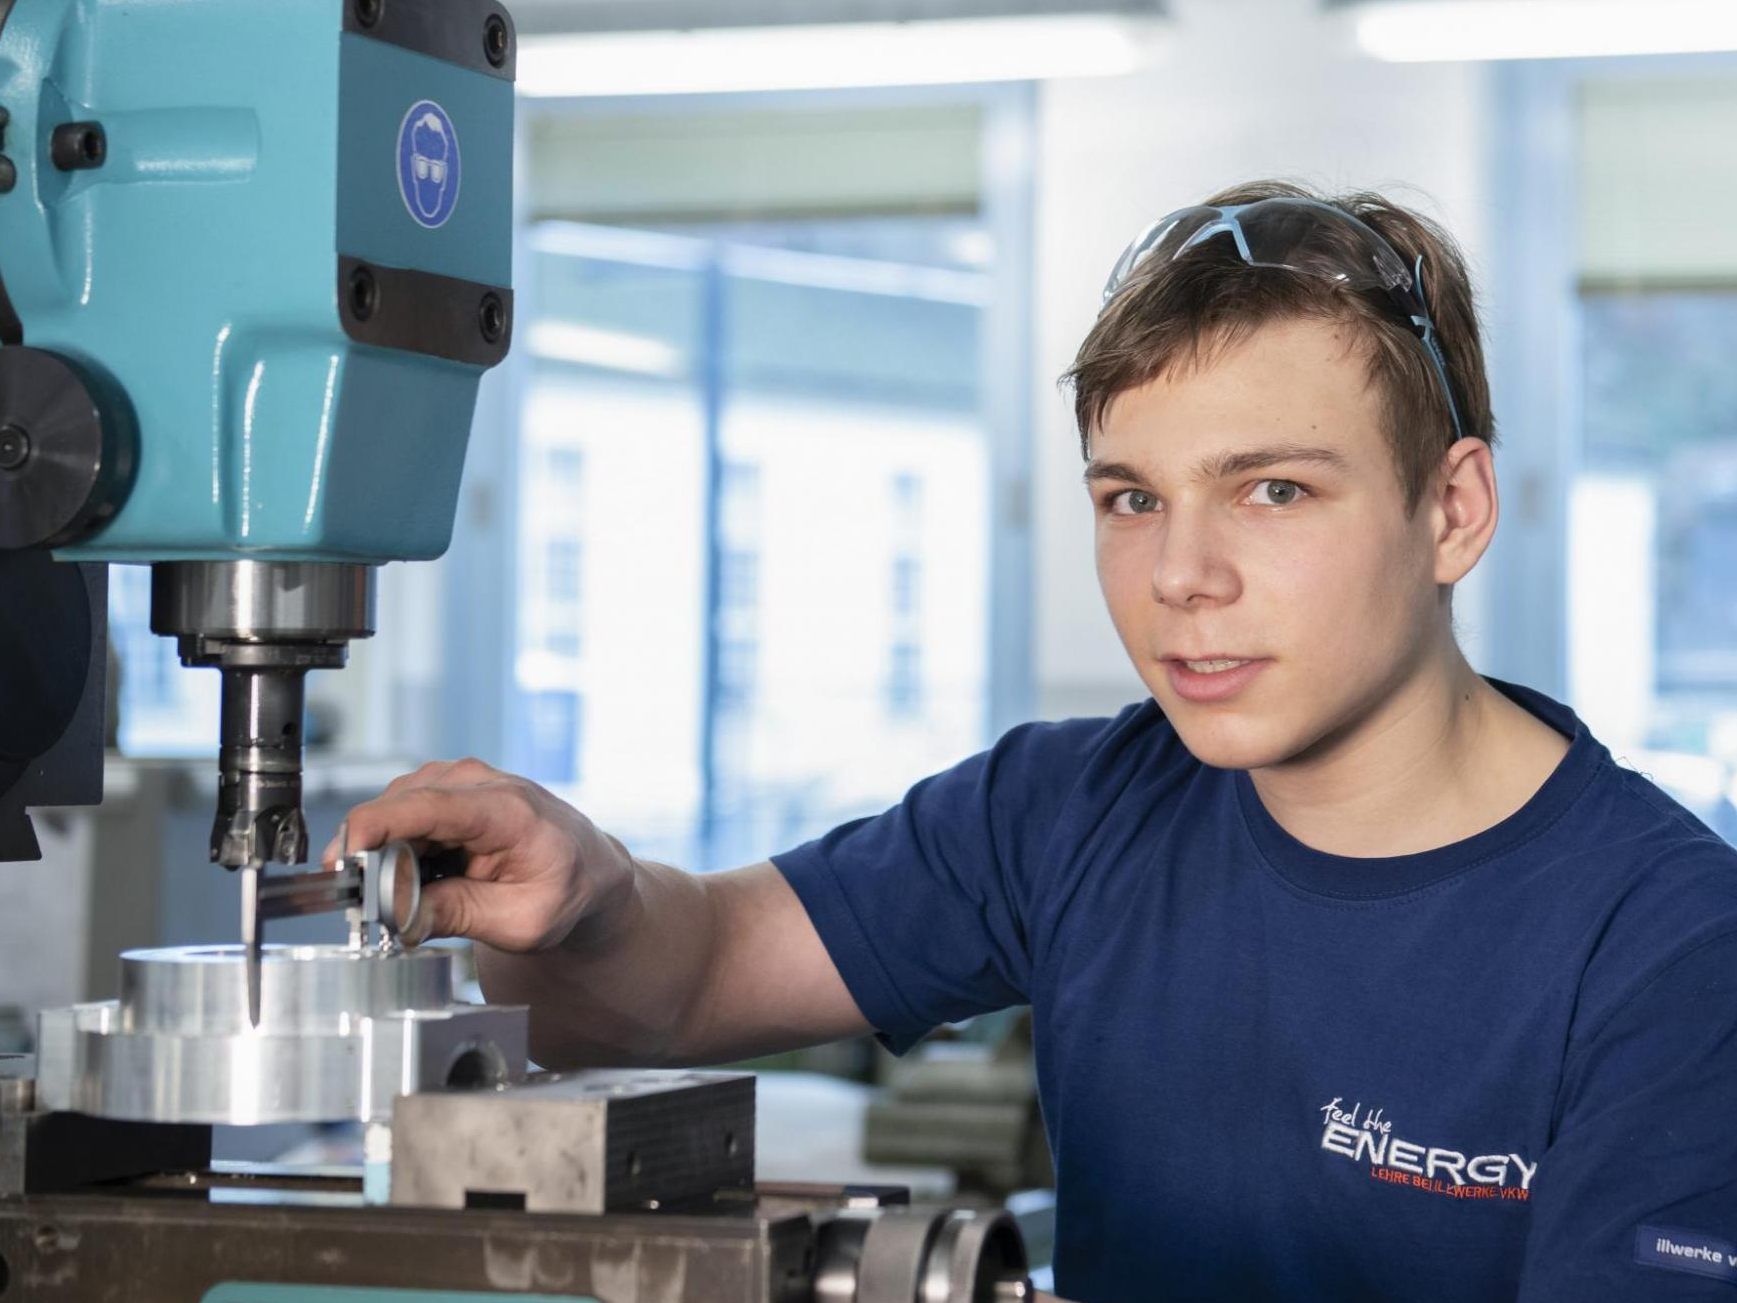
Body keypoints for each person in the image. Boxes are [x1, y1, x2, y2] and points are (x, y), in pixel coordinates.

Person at [330, 180, 1737, 1302]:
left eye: (1271, 490)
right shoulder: (1067, 808)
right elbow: (676, 982)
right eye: (1129, 499)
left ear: (1453, 510)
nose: (1179, 574)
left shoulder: (1670, 946)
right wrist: (588, 893)